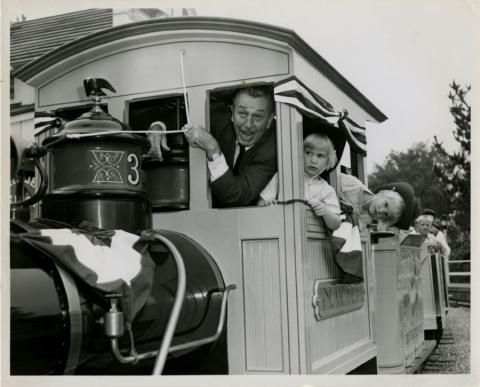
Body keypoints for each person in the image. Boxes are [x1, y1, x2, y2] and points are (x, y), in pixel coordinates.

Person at [147, 86, 277, 207]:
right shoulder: (217, 118)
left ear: (269, 120)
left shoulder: (273, 149)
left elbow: (236, 195)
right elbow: (177, 116)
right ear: (232, 113)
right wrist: (158, 127)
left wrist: (212, 148)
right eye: (242, 113)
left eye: (257, 116)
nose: (248, 124)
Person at [259, 132, 341, 230]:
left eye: (320, 155)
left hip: (312, 238)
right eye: (309, 153)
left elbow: (336, 225)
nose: (313, 160)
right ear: (299, 154)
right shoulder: (283, 177)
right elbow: (261, 204)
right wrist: (267, 205)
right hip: (282, 230)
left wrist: (325, 211)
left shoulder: (327, 190)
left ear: (328, 160)